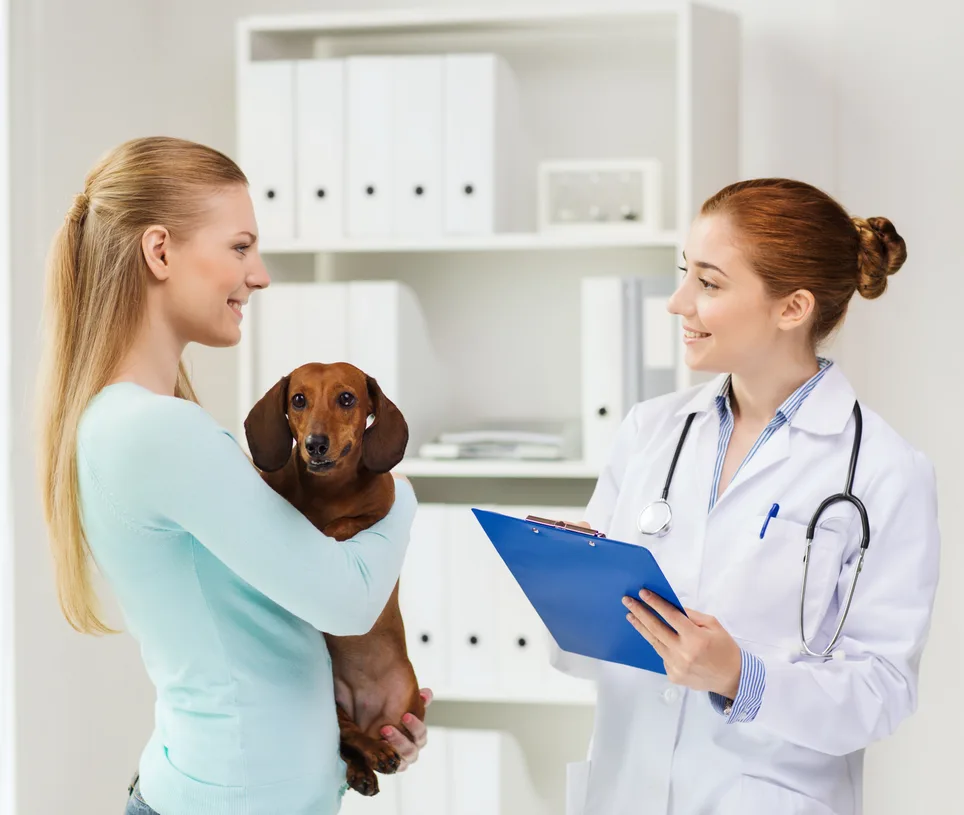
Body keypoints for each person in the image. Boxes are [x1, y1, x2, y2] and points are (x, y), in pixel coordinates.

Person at [36, 136, 430, 815]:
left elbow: (266, 629)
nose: (260, 275)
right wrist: (403, 491)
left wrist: (360, 718)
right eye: (241, 247)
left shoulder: (133, 420)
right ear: (160, 252)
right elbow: (347, 599)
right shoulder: (159, 430)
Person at [553, 178, 940, 815]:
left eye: (708, 283)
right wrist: (569, 586)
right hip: (626, 791)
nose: (678, 302)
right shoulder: (650, 431)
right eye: (685, 273)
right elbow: (590, 650)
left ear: (792, 309)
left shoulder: (883, 472)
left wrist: (740, 677)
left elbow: (882, 691)